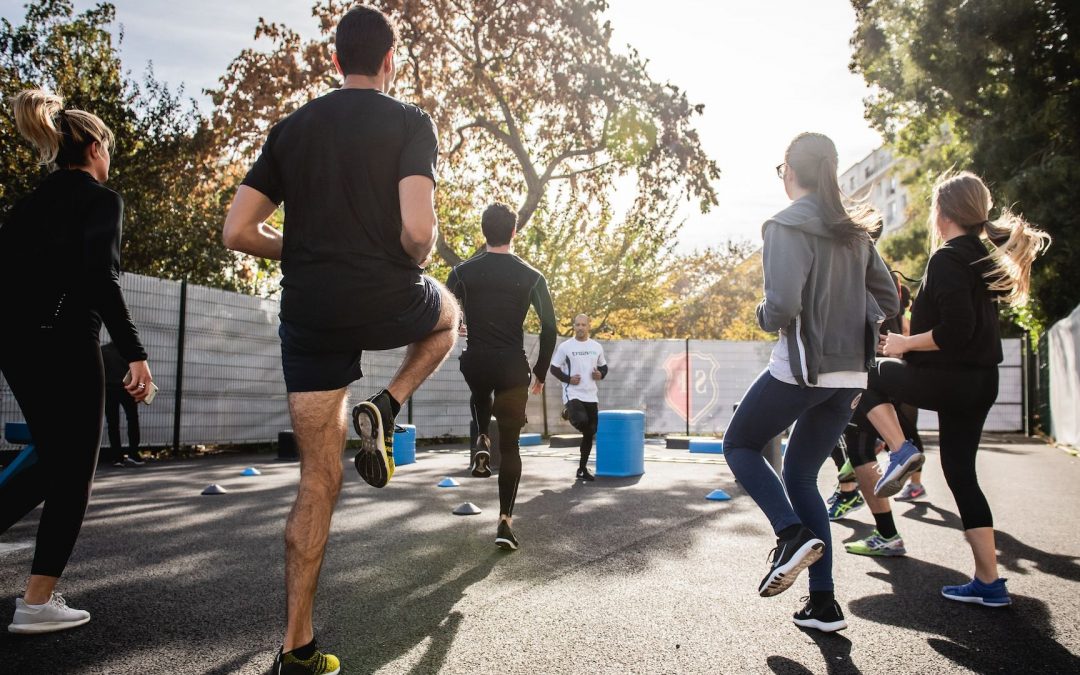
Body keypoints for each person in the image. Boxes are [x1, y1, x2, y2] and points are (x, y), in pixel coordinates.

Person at [222, 7, 458, 673]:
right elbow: (418, 232)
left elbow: (237, 230)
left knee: (316, 480)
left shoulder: (292, 129)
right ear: (390, 63)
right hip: (386, 294)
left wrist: (298, 245)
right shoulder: (411, 122)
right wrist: (417, 252)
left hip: (310, 311)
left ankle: (297, 646)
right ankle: (386, 404)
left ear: (335, 62)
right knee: (447, 315)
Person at [720, 132, 899, 633]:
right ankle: (824, 604)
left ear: (791, 173)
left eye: (780, 170)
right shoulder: (856, 233)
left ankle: (789, 532)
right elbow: (889, 300)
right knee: (800, 476)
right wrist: (857, 334)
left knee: (739, 443)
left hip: (803, 368)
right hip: (849, 375)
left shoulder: (783, 224)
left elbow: (780, 308)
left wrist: (760, 312)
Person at [856, 171, 1050, 607]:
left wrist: (906, 343)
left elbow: (956, 331)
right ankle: (989, 582)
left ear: (942, 213)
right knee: (962, 475)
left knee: (867, 376)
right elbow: (964, 327)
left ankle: (901, 449)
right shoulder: (981, 256)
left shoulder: (947, 258)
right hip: (980, 382)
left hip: (951, 379)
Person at [0, 90, 153, 634]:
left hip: (14, 346)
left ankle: (37, 599)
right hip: (66, 343)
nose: (108, 161)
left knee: (48, 461)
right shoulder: (100, 199)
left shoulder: (30, 203)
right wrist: (134, 352)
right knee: (73, 474)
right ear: (92, 148)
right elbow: (100, 279)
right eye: (107, 149)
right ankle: (37, 603)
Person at [447, 203, 557, 550]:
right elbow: (550, 329)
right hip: (512, 366)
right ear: (514, 231)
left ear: (483, 232)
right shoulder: (532, 276)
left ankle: (481, 436)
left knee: (480, 390)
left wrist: (459, 325)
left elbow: (445, 314)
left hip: (476, 361)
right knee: (510, 448)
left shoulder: (462, 272)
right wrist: (540, 372)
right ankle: (505, 523)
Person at [549, 314, 608, 481]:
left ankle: (582, 469)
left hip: (591, 394)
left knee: (591, 431)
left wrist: (600, 374)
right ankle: (569, 411)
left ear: (589, 326)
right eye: (577, 325)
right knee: (582, 422)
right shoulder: (566, 347)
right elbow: (554, 369)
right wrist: (568, 379)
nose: (580, 327)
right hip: (573, 393)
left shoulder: (596, 346)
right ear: (574, 326)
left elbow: (604, 367)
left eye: (583, 324)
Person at [100, 341, 143, 467]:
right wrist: (140, 390)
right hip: (128, 390)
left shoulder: (104, 350)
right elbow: (139, 373)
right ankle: (134, 454)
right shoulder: (130, 350)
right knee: (133, 420)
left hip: (109, 390)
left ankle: (117, 457)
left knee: (113, 424)